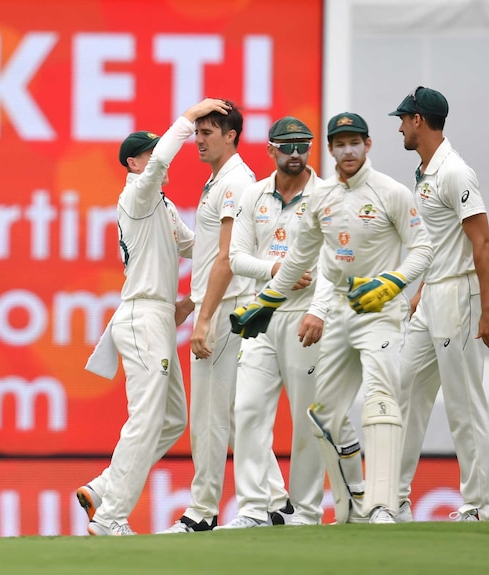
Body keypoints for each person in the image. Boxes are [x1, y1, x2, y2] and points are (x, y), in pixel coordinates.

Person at [230, 112, 433, 524]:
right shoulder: (324, 200)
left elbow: (424, 249)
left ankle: (381, 506)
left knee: (379, 401)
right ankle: (349, 508)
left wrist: (393, 283)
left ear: (368, 145)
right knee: (321, 415)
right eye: (340, 144)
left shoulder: (390, 192)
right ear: (332, 149)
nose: (348, 151)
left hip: (379, 312)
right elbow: (299, 260)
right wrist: (265, 301)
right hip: (337, 313)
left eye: (354, 142)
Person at [76, 98, 231, 536]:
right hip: (143, 316)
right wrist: (190, 115)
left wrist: (238, 234)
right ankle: (110, 518)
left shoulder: (161, 205)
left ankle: (104, 489)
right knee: (145, 417)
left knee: (172, 419)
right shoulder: (137, 192)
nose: (158, 158)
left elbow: (194, 247)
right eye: (150, 153)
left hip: (158, 315)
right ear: (133, 162)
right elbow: (165, 153)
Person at [159, 101, 288, 534]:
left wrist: (204, 317)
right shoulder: (221, 180)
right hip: (225, 305)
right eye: (196, 133)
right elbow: (210, 254)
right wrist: (193, 303)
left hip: (229, 307)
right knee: (233, 413)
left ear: (231, 135)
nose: (198, 140)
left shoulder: (233, 181)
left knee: (210, 417)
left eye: (208, 132)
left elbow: (228, 259)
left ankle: (201, 512)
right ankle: (277, 502)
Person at [219, 117, 327, 528]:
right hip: (263, 311)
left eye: (303, 145)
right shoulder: (253, 195)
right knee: (247, 409)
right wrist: (276, 270)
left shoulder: (325, 195)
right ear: (271, 151)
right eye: (287, 146)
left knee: (306, 416)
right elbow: (236, 258)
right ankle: (252, 508)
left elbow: (333, 263)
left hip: (306, 316)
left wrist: (320, 307)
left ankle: (305, 510)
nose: (296, 154)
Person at [390, 86, 489, 522]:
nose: (400, 127)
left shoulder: (455, 172)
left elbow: (482, 243)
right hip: (434, 296)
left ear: (420, 121)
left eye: (405, 119)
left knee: (465, 404)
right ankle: (393, 498)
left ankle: (479, 504)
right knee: (404, 388)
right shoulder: (425, 171)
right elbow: (437, 241)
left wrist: (487, 309)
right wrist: (422, 290)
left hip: (461, 296)